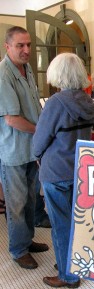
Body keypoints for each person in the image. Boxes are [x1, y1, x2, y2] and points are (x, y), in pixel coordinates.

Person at [33, 52, 94, 288]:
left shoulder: (56, 103)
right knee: (76, 222)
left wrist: (37, 156)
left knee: (60, 224)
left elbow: (40, 139)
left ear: (57, 74)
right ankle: (70, 262)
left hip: (56, 171)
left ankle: (67, 275)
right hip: (79, 170)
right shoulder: (88, 100)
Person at [0, 26, 49, 270]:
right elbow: (12, 119)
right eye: (20, 45)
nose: (27, 50)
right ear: (7, 47)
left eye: (29, 45)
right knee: (17, 204)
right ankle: (18, 249)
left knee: (30, 199)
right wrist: (44, 131)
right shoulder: (3, 75)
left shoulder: (27, 68)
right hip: (14, 153)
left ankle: (27, 240)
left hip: (31, 149)